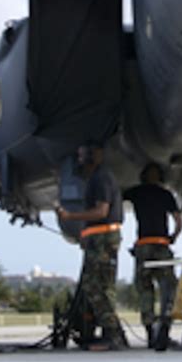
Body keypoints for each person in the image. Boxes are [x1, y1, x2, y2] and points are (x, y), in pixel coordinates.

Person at [56, 142, 127, 351]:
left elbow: (101, 212)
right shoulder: (97, 178)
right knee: (103, 287)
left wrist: (71, 216)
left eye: (84, 155)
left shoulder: (101, 178)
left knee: (94, 286)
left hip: (103, 238)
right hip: (100, 238)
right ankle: (114, 334)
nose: (80, 160)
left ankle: (113, 334)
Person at [123, 162, 182, 350]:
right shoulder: (165, 195)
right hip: (161, 246)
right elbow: (179, 221)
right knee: (168, 289)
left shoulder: (137, 192)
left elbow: (118, 198)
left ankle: (150, 332)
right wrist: (173, 236)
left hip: (143, 246)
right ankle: (164, 329)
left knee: (145, 291)